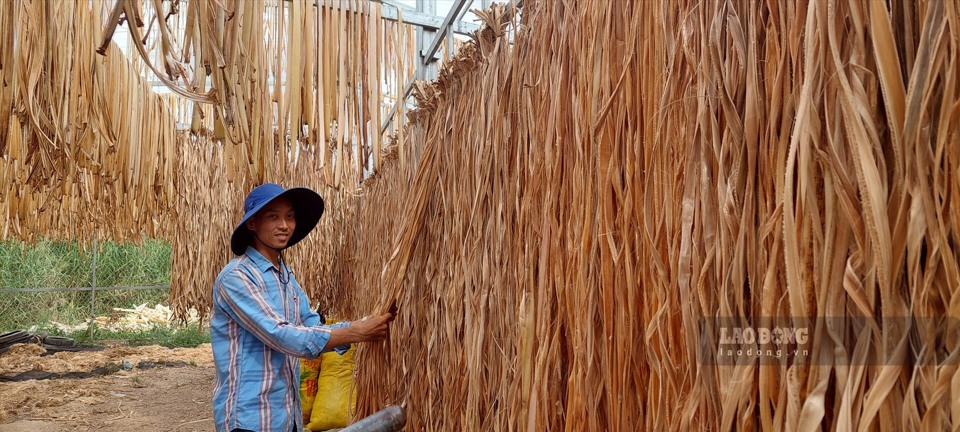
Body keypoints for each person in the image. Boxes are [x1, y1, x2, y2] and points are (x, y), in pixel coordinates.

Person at [210, 183, 395, 432]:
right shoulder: (237, 277)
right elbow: (282, 335)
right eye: (273, 216)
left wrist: (365, 324)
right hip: (251, 419)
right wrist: (357, 332)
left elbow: (311, 325)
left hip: (287, 417)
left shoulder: (286, 277)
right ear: (252, 223)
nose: (284, 225)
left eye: (290, 216)